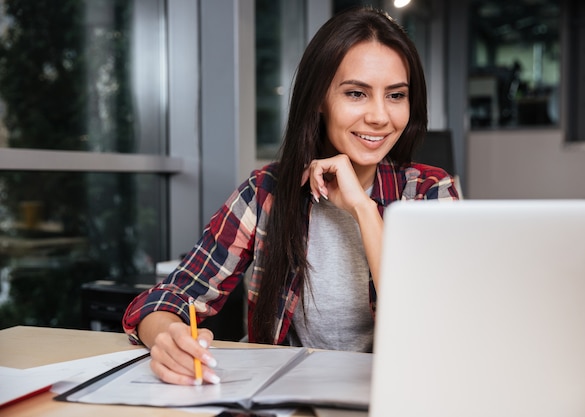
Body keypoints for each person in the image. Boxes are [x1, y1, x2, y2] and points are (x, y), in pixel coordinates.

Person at [122, 6, 459, 386]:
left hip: (393, 395)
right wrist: (167, 337)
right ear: (319, 99)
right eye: (356, 93)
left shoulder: (429, 191)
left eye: (396, 96)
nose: (380, 116)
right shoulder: (266, 191)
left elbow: (438, 324)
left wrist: (363, 209)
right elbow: (168, 297)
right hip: (283, 398)